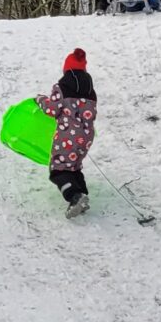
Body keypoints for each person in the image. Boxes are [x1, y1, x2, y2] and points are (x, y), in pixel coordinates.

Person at [36, 47, 97, 216]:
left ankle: (75, 196)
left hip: (67, 135)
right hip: (86, 136)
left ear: (66, 69)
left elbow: (52, 109)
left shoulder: (61, 87)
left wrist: (40, 99)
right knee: (74, 166)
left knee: (59, 169)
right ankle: (82, 195)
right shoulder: (91, 91)